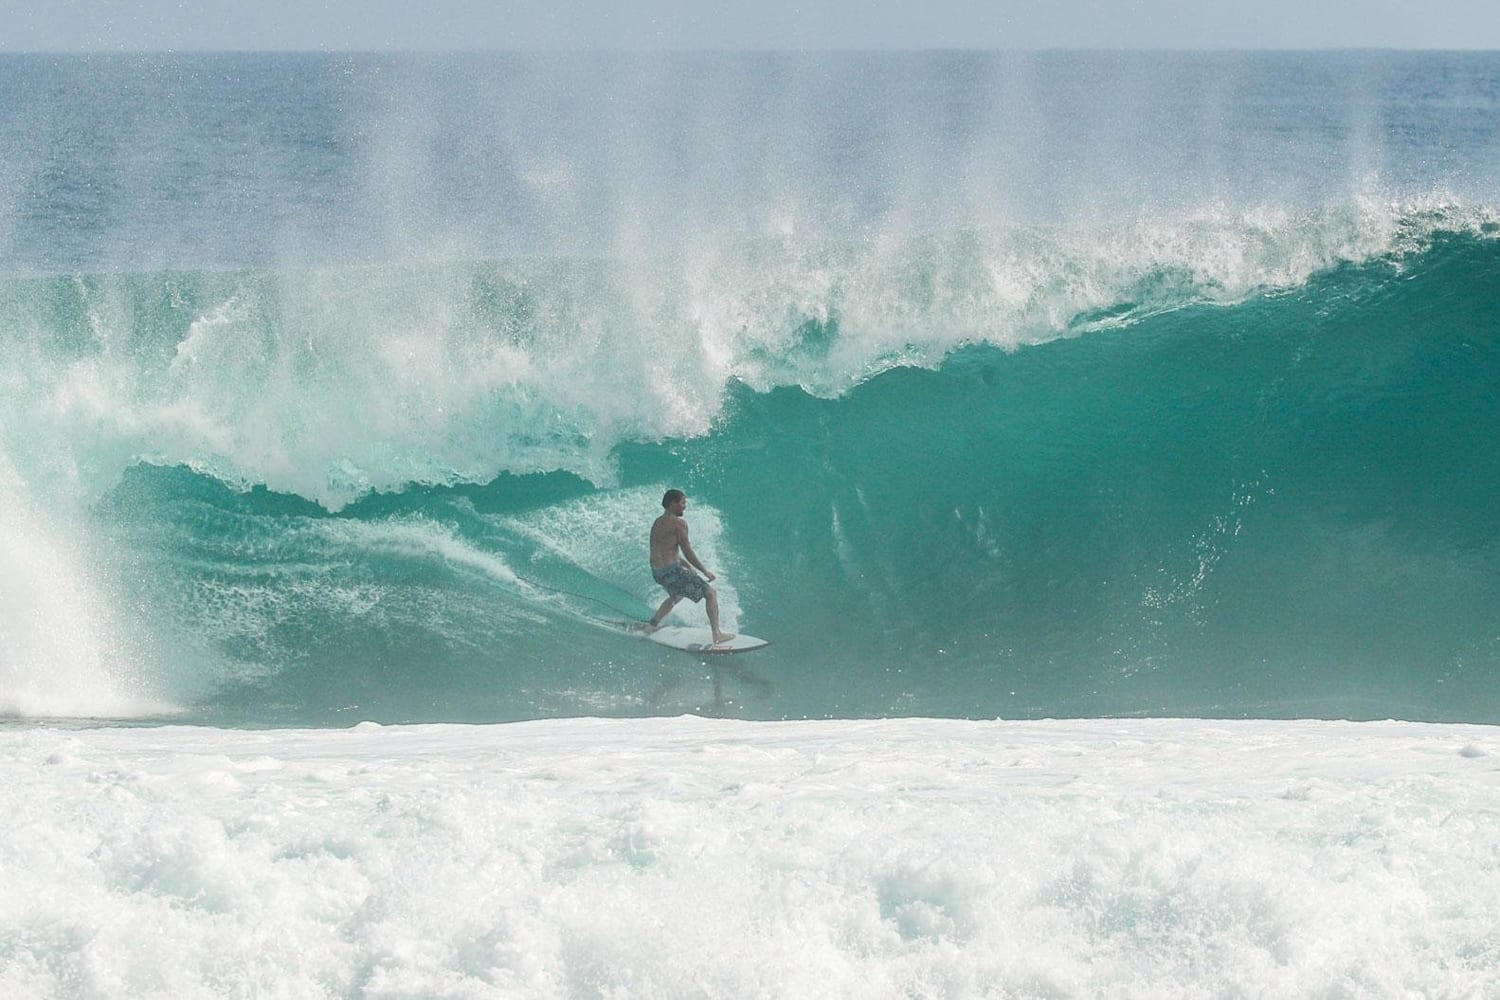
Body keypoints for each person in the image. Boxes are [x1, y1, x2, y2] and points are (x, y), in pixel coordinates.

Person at [647, 488, 735, 644]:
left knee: (676, 595)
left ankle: (653, 624)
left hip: (658, 573)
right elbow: (687, 550)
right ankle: (717, 634)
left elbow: (665, 550)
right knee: (711, 594)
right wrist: (705, 571)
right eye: (683, 502)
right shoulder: (679, 524)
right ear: (673, 504)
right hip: (672, 572)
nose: (685, 506)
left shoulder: (657, 522)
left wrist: (687, 566)